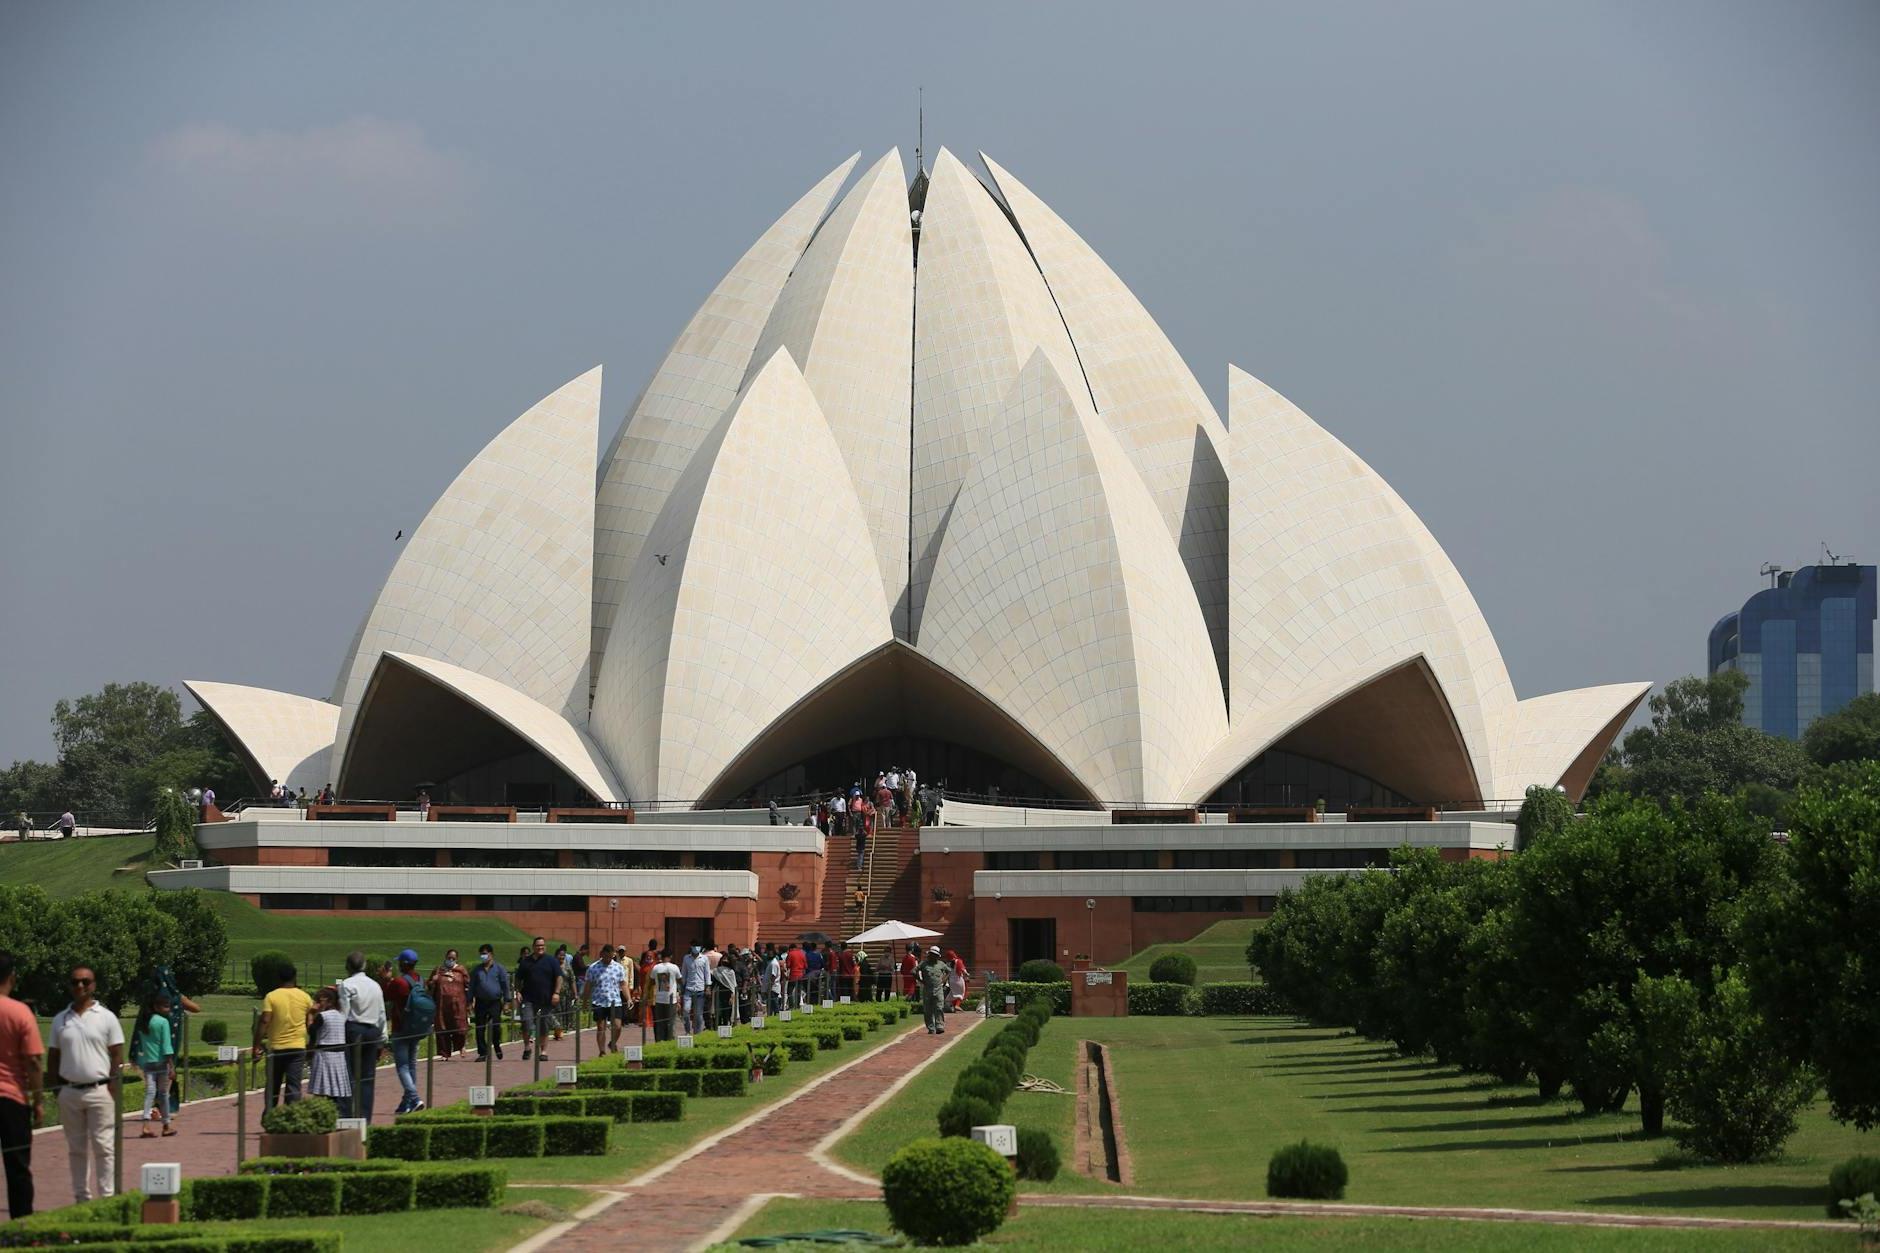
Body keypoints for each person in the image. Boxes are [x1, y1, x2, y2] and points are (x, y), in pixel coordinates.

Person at [47, 965, 122, 1201]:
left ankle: (107, 1197)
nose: (80, 986)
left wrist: (112, 1086)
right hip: (70, 1091)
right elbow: (53, 1056)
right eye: (75, 981)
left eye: (85, 981)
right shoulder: (60, 1020)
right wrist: (57, 1090)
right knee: (76, 1149)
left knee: (104, 1147)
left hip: (99, 1090)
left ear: (94, 985)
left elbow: (117, 1053)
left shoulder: (106, 1017)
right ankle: (82, 1197)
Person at [0, 949, 45, 1219]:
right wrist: (38, 1101)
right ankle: (21, 1230)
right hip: (11, 1099)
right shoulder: (19, 1012)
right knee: (17, 1168)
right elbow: (34, 1063)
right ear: (12, 977)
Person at [337, 951, 386, 1122]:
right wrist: (382, 1040)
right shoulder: (375, 985)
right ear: (364, 966)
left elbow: (344, 1013)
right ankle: (365, 1118)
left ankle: (346, 1115)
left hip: (353, 1030)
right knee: (367, 1078)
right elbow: (381, 1014)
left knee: (347, 1075)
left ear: (348, 967)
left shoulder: (347, 984)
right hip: (372, 1030)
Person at [255, 961, 311, 1109]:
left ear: (278, 978)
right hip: (297, 1047)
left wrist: (256, 1045)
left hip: (276, 1047)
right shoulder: (305, 997)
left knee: (272, 1087)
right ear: (295, 977)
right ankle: (291, 1118)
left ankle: (270, 1116)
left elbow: (265, 1021)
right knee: (293, 1087)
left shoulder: (272, 996)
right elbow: (310, 1022)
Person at [383, 950, 430, 1114]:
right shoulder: (421, 980)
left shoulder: (399, 982)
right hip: (417, 1028)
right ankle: (406, 1103)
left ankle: (415, 1098)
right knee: (411, 1066)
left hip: (401, 1028)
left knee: (402, 1067)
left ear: (403, 964)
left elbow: (386, 995)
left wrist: (386, 978)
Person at [129, 994, 176, 1138]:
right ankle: (166, 1125)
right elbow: (166, 1046)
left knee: (150, 1093)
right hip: (161, 1062)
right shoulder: (163, 1022)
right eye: (165, 1006)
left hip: (147, 1062)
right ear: (156, 1007)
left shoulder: (144, 1022)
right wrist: (171, 1066)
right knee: (163, 1094)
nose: (168, 1009)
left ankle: (145, 1124)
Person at [305, 987, 351, 1113]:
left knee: (321, 1088)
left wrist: (310, 1015)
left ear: (329, 1001)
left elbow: (311, 1031)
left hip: (324, 1054)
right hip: (339, 1055)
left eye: (320, 1001)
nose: (318, 1004)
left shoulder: (322, 1016)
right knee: (336, 1087)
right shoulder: (341, 1016)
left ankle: (321, 1113)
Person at [515, 937, 560, 1061]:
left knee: (544, 1025)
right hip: (528, 998)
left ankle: (543, 1051)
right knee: (526, 1023)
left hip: (545, 999)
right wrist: (517, 991)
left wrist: (556, 993)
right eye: (538, 945)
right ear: (533, 947)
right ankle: (527, 1048)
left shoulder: (551, 961)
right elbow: (518, 978)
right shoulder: (526, 962)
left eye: (542, 945)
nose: (540, 948)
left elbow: (558, 977)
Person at [467, 945, 510, 1061]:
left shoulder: (499, 969)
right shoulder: (477, 970)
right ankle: (483, 1052)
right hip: (481, 1002)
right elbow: (472, 987)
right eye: (481, 953)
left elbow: (505, 986)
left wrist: (507, 1001)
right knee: (480, 1028)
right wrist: (469, 1002)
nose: (483, 956)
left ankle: (496, 1044)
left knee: (496, 1027)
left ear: (491, 954)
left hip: (495, 1002)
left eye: (485, 953)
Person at [428, 949, 469, 1060]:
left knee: (459, 1027)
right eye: (449, 958)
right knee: (442, 1028)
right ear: (445, 957)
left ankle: (461, 1047)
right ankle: (444, 1053)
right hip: (442, 1005)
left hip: (458, 1005)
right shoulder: (438, 970)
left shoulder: (461, 971)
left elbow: (468, 985)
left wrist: (470, 1000)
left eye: (453, 958)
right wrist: (433, 981)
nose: (450, 960)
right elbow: (429, 985)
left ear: (456, 959)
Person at [584, 944, 625, 1053]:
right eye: (606, 956)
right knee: (601, 1028)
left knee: (618, 1026)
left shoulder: (618, 967)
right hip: (599, 1001)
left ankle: (613, 1042)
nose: (608, 959)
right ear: (601, 954)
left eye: (610, 957)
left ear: (613, 955)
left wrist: (629, 998)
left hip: (615, 1001)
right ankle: (601, 1051)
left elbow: (623, 984)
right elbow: (588, 985)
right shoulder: (593, 968)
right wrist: (585, 1001)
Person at [648, 950, 681, 1042]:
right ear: (671, 956)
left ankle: (659, 1042)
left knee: (660, 1024)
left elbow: (651, 982)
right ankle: (670, 1042)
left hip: (659, 1000)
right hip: (671, 1000)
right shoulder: (674, 967)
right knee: (671, 1023)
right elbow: (680, 981)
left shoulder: (656, 968)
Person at [679, 942, 709, 1037]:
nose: (696, 948)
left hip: (700, 989)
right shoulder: (686, 958)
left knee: (698, 1014)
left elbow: (707, 973)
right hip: (689, 988)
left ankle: (697, 1033)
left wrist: (707, 986)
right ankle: (687, 1030)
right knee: (686, 1011)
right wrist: (682, 986)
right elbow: (684, 972)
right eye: (695, 946)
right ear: (691, 947)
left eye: (698, 946)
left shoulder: (704, 958)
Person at [918, 947, 950, 1035]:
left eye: (935, 955)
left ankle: (939, 1026)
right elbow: (914, 971)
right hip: (927, 989)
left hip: (938, 989)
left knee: (939, 1008)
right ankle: (931, 1027)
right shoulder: (924, 964)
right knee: (928, 1010)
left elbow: (948, 971)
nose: (933, 956)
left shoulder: (941, 964)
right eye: (932, 954)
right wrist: (920, 980)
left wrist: (943, 980)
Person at [783, 940, 807, 1008]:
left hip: (793, 975)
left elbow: (788, 965)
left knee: (789, 991)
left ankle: (791, 1006)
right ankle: (797, 1005)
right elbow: (805, 966)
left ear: (790, 948)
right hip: (801, 975)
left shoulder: (790, 954)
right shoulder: (802, 954)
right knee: (798, 991)